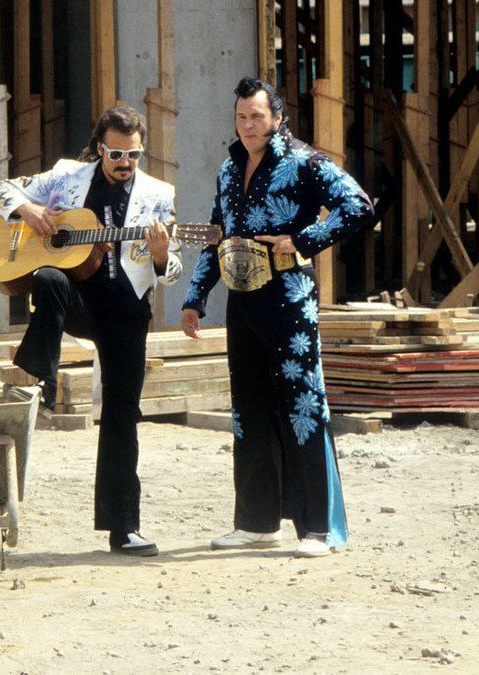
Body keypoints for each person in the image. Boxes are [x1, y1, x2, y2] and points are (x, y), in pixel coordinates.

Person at [180, 77, 375, 558]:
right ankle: (256, 522)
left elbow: (359, 206)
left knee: (304, 408)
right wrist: (195, 296)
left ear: (278, 118)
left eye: (257, 117)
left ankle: (319, 530)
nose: (248, 126)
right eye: (241, 117)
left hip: (290, 298)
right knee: (249, 411)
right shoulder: (229, 168)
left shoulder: (306, 162)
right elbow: (216, 234)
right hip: (241, 302)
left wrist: (304, 239)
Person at [0, 106, 182, 557]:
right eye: (116, 153)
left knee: (121, 414)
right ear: (100, 148)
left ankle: (123, 527)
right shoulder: (66, 178)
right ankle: (44, 377)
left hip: (126, 310)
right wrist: (27, 208)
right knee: (50, 278)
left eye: (133, 154)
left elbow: (171, 272)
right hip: (78, 300)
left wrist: (158, 255)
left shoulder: (157, 195)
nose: (124, 163)